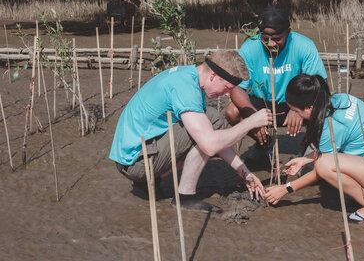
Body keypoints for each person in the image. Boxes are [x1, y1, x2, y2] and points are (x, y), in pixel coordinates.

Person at [109, 50, 272, 213]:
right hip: (136, 163)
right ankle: (184, 197)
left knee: (207, 123)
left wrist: (244, 172)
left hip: (132, 156)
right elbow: (209, 145)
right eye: (227, 88)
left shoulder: (188, 74)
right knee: (210, 122)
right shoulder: (186, 88)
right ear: (213, 76)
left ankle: (152, 179)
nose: (228, 94)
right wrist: (251, 122)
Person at [265, 74, 364, 223]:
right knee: (328, 159)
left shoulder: (333, 124)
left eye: (297, 111)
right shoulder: (341, 100)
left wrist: (286, 188)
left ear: (309, 107)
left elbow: (323, 167)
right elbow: (330, 150)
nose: (297, 116)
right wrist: (304, 160)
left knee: (323, 165)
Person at [224, 5, 327, 154]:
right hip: (262, 104)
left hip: (296, 102)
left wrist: (297, 108)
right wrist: (254, 117)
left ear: (288, 32)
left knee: (325, 107)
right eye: (266, 39)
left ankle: (310, 148)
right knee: (232, 112)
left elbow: (320, 85)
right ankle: (264, 145)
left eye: (277, 39)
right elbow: (237, 88)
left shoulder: (304, 46)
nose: (271, 44)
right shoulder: (249, 48)